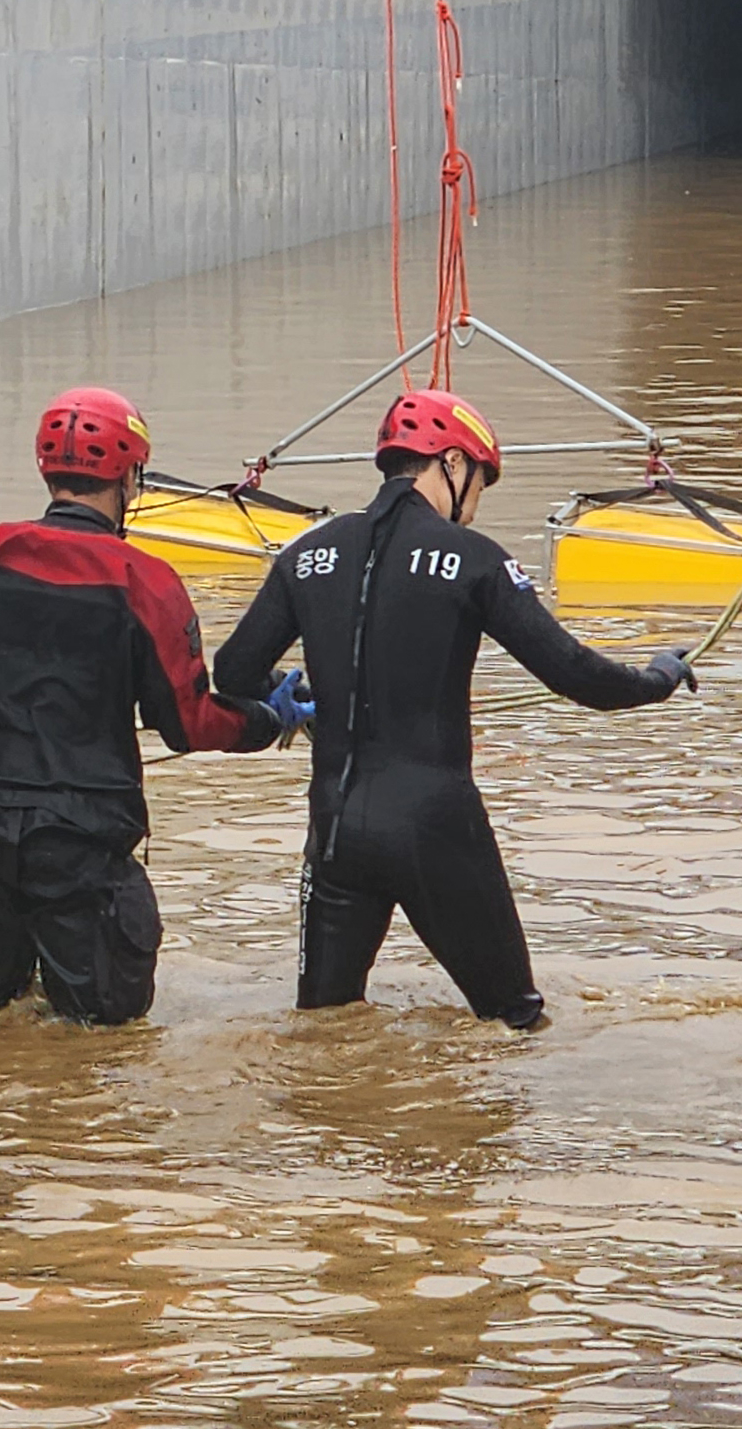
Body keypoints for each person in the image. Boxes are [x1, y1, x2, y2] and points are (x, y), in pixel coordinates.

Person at [211, 388, 693, 1032]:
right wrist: (658, 676)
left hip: (334, 830)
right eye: (481, 481)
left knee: (323, 1034)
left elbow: (231, 672)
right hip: (434, 825)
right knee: (517, 1024)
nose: (475, 503)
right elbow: (578, 677)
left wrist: (290, 694)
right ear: (452, 463)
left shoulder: (307, 553)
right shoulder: (474, 560)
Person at [0, 387, 282, 1026]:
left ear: (47, 471)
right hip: (81, 844)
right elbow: (188, 723)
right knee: (102, 1039)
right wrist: (268, 719)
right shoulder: (144, 581)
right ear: (128, 478)